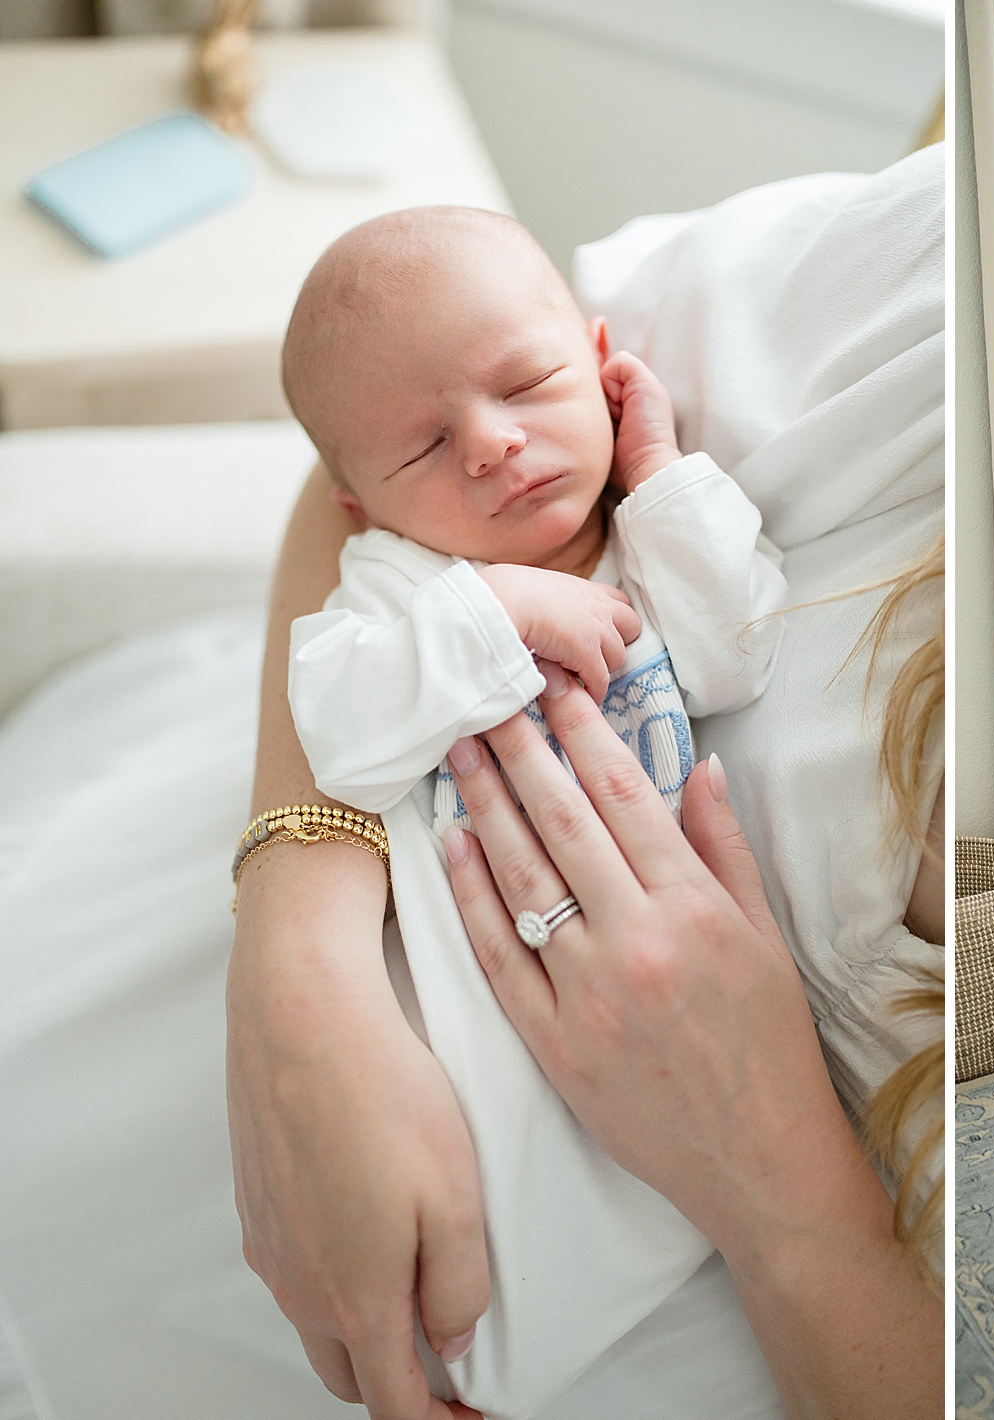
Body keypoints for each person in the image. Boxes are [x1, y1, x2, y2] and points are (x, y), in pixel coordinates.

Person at [253, 205, 791, 1417]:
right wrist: (494, 611)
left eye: (526, 385)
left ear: (602, 369)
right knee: (464, 1231)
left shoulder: (639, 545)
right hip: (453, 990)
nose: (492, 446)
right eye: (420, 449)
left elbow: (735, 652)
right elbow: (334, 720)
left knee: (624, 1206)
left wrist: (660, 479)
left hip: (635, 988)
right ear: (354, 503)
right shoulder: (400, 580)